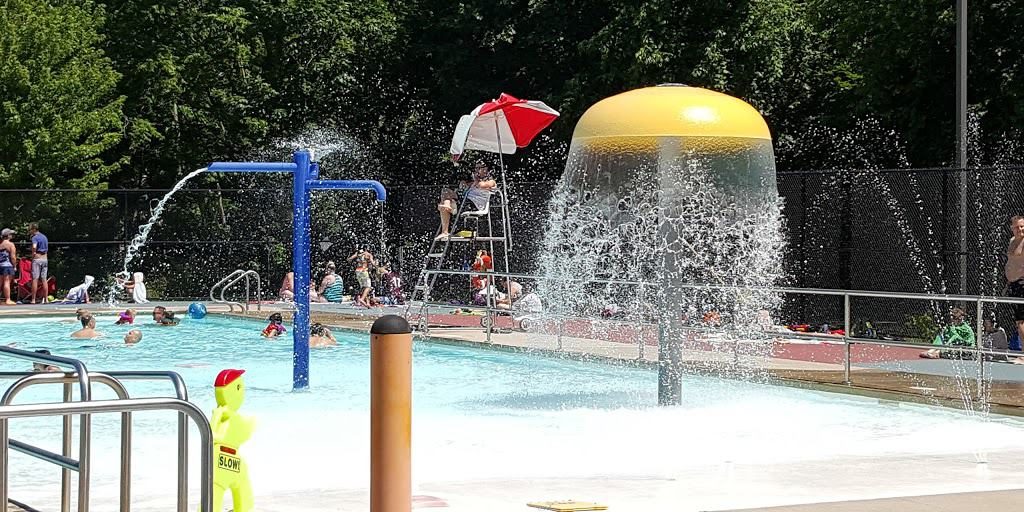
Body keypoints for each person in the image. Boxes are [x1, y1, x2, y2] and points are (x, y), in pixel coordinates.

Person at [436, 161, 497, 240]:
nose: (476, 171)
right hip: (466, 202)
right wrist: (463, 184)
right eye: (476, 168)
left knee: (444, 204)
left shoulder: (491, 182)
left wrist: (475, 180)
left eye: (479, 168)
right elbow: (463, 188)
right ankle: (447, 207)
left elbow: (482, 185)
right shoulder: (474, 182)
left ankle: (448, 208)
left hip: (474, 206)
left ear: (486, 169)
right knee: (445, 191)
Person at [1005, 215, 1024, 346]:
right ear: (1012, 228)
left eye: (1022, 226)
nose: (1020, 229)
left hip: (1022, 283)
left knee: (1022, 321)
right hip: (1013, 284)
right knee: (1019, 321)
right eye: (1017, 227)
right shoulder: (1012, 241)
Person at [27, 223, 48, 304]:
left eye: (30, 230)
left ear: (33, 229)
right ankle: (45, 299)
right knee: (44, 279)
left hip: (37, 259)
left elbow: (34, 246)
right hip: (45, 258)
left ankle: (33, 299)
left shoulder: (35, 238)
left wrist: (33, 254)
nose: (30, 231)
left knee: (35, 279)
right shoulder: (44, 237)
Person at [0, 228, 16, 305]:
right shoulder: (10, 244)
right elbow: (13, 257)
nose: (12, 236)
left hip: (0, 265)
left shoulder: (1, 244)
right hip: (7, 265)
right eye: (11, 234)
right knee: (6, 282)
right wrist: (14, 265)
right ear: (8, 235)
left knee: (0, 282)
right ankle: (8, 299)